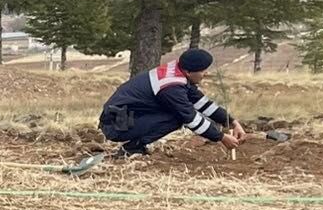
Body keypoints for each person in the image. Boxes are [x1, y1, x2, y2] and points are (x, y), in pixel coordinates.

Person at [98, 48, 246, 157]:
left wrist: (232, 122)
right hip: (115, 124)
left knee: (178, 114)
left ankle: (135, 146)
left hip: (127, 116)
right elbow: (191, 118)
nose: (205, 74)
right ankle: (132, 148)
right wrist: (221, 137)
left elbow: (203, 104)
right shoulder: (171, 87)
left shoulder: (178, 73)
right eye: (202, 71)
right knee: (177, 117)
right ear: (189, 72)